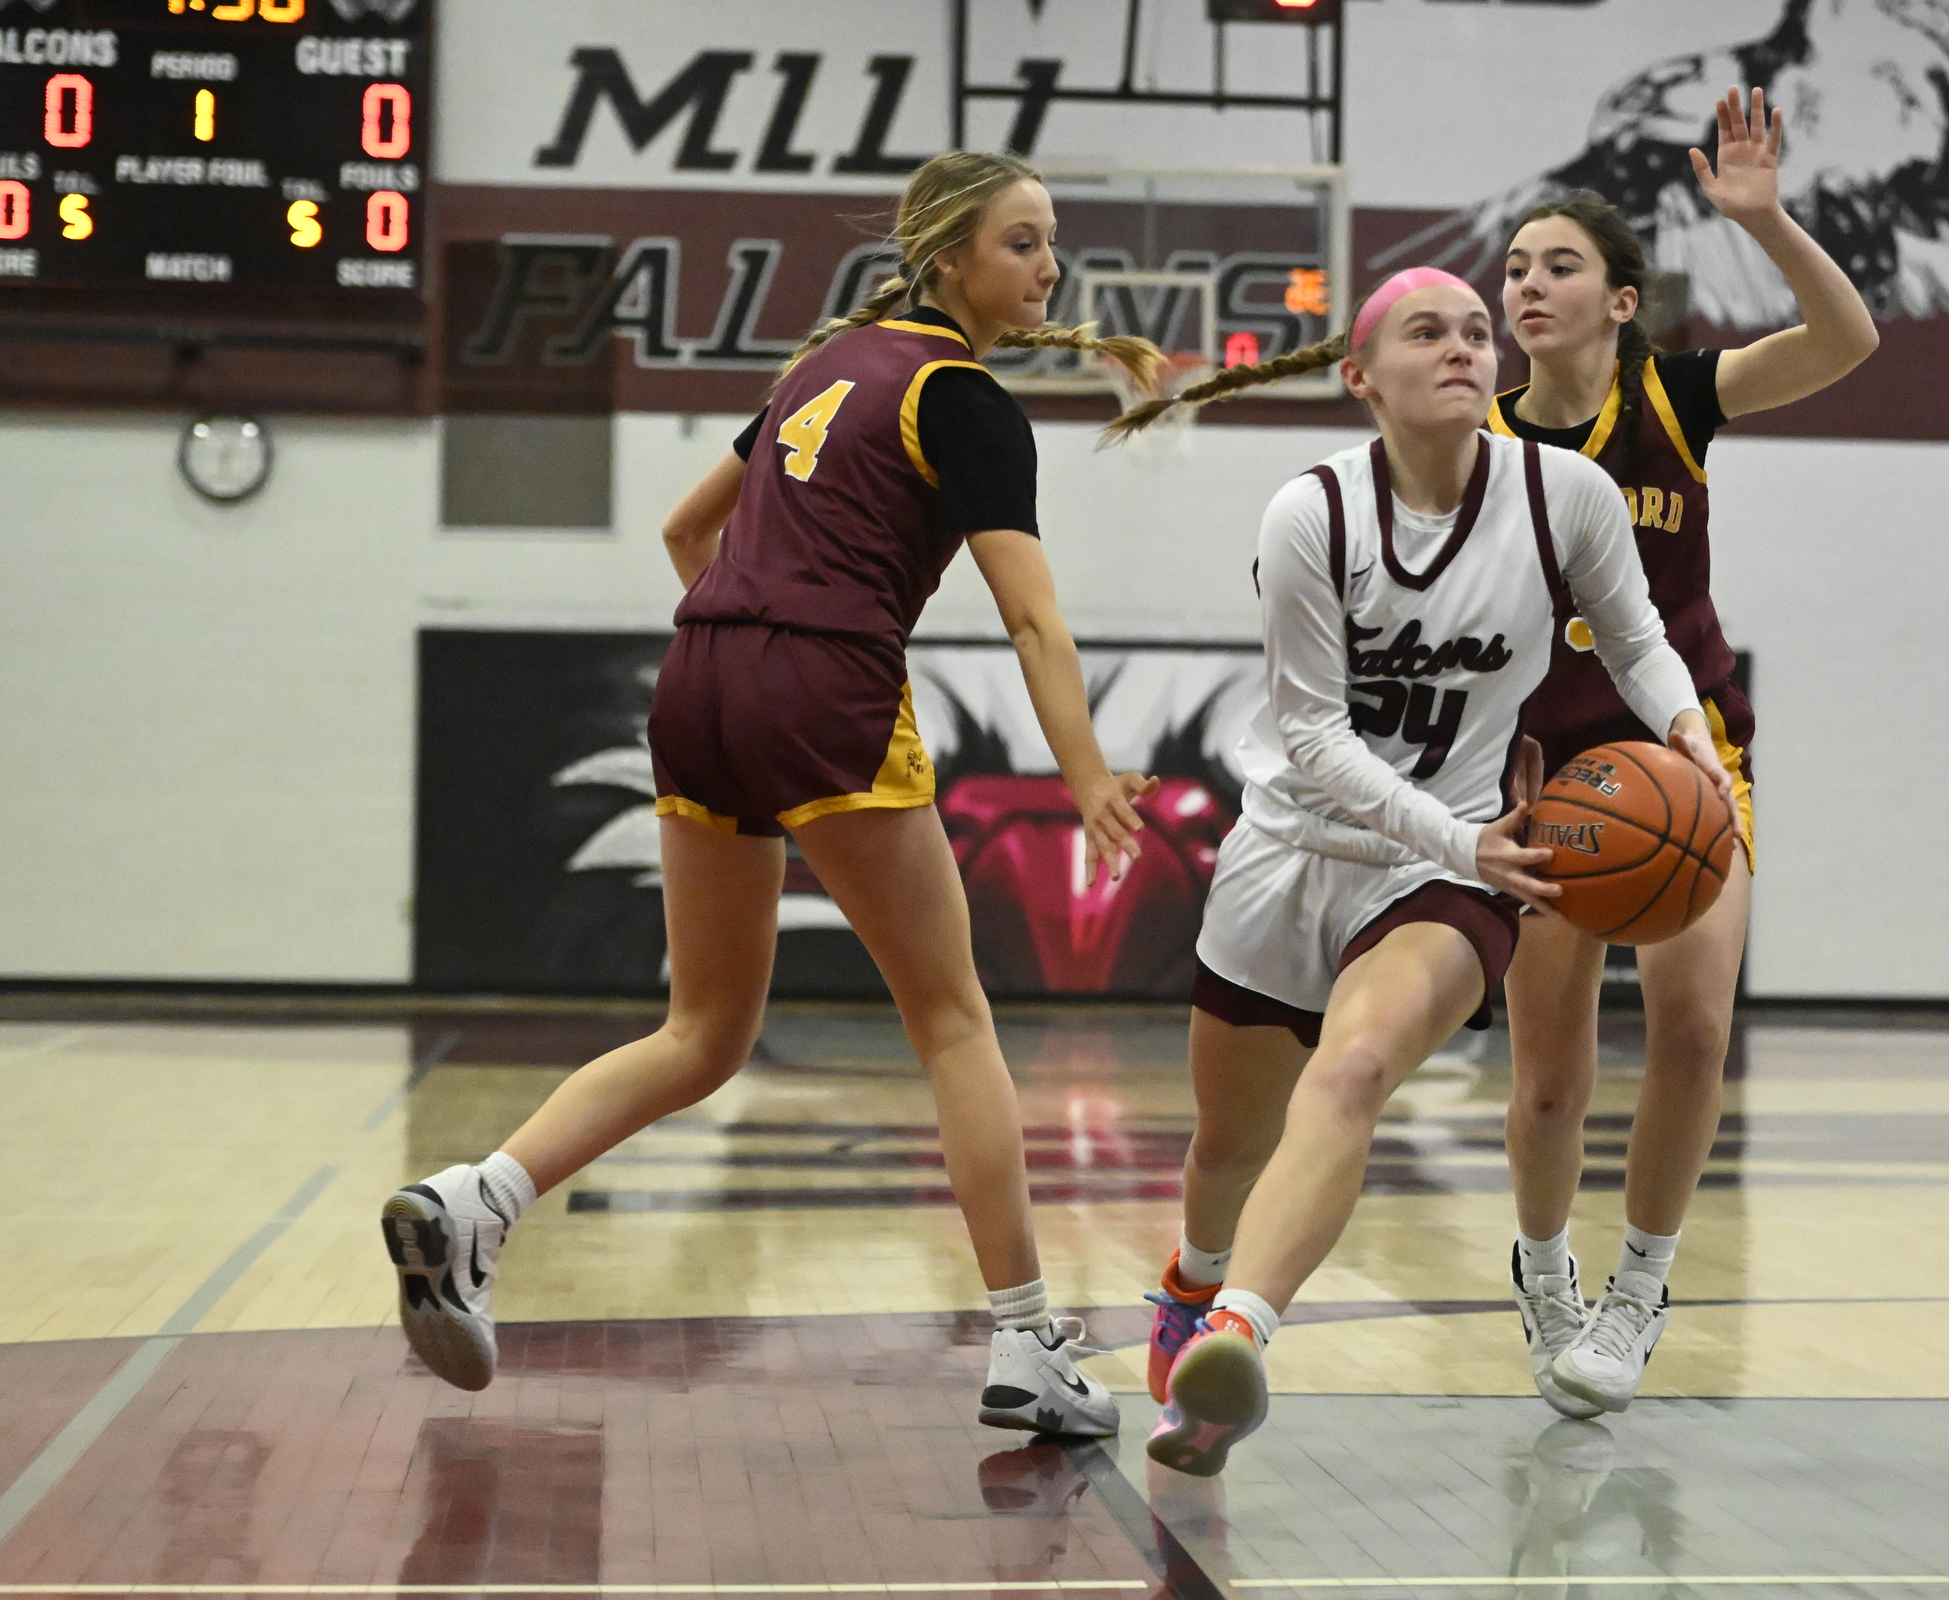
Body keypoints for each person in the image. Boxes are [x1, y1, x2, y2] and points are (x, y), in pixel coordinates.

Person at [380, 151, 1167, 1437]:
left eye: (1052, 240)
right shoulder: (963, 396)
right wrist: (1085, 776)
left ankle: (480, 1200)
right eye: (1023, 242)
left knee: (704, 1029)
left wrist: (739, 655)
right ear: (950, 259)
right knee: (955, 1020)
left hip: (696, 676)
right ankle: (1027, 1340)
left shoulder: (822, 365)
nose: (1050, 265)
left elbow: (688, 534)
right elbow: (1033, 622)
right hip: (823, 685)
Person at [1102, 267, 1732, 1476]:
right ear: (1360, 375)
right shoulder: (1311, 514)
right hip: (1293, 850)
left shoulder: (1568, 497)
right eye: (1425, 331)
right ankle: (1195, 1282)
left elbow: (1642, 637)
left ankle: (1239, 1337)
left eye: (1476, 332)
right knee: (1226, 1150)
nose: (1461, 346)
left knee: (1350, 1074)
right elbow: (1314, 739)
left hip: (1443, 873)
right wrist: (1462, 837)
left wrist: (1685, 729)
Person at [1488, 88, 1878, 1415]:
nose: (1530, 284)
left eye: (1560, 266)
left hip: (1683, 751)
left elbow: (1848, 339)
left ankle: (1640, 1289)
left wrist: (1765, 221)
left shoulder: (1677, 396)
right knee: (1548, 1079)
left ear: (1621, 299)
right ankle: (1545, 1273)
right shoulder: (1477, 443)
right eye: (1518, 268)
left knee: (1697, 1031)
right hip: (1544, 781)